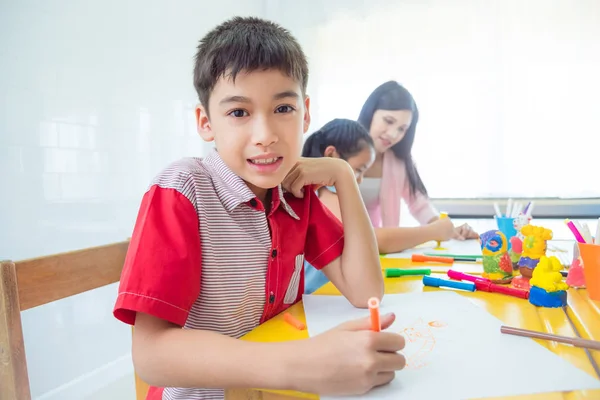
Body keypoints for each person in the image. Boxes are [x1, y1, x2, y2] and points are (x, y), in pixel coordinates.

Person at [112, 17, 406, 400]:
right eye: (238, 113)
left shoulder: (297, 196)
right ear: (206, 122)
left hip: (275, 392)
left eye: (283, 108)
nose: (265, 135)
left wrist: (343, 175)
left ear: (305, 114)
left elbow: (365, 290)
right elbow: (151, 356)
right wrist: (302, 364)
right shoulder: (183, 189)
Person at [355, 81, 479, 254]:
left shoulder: (397, 160)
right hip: (354, 245)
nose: (392, 134)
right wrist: (434, 230)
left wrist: (447, 229)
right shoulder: (341, 150)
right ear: (370, 113)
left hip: (376, 249)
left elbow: (418, 203)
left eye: (402, 129)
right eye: (388, 121)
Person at [301, 118, 376, 294]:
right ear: (331, 156)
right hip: (316, 298)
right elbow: (370, 242)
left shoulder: (321, 195)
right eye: (358, 169)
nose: (359, 180)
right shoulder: (326, 196)